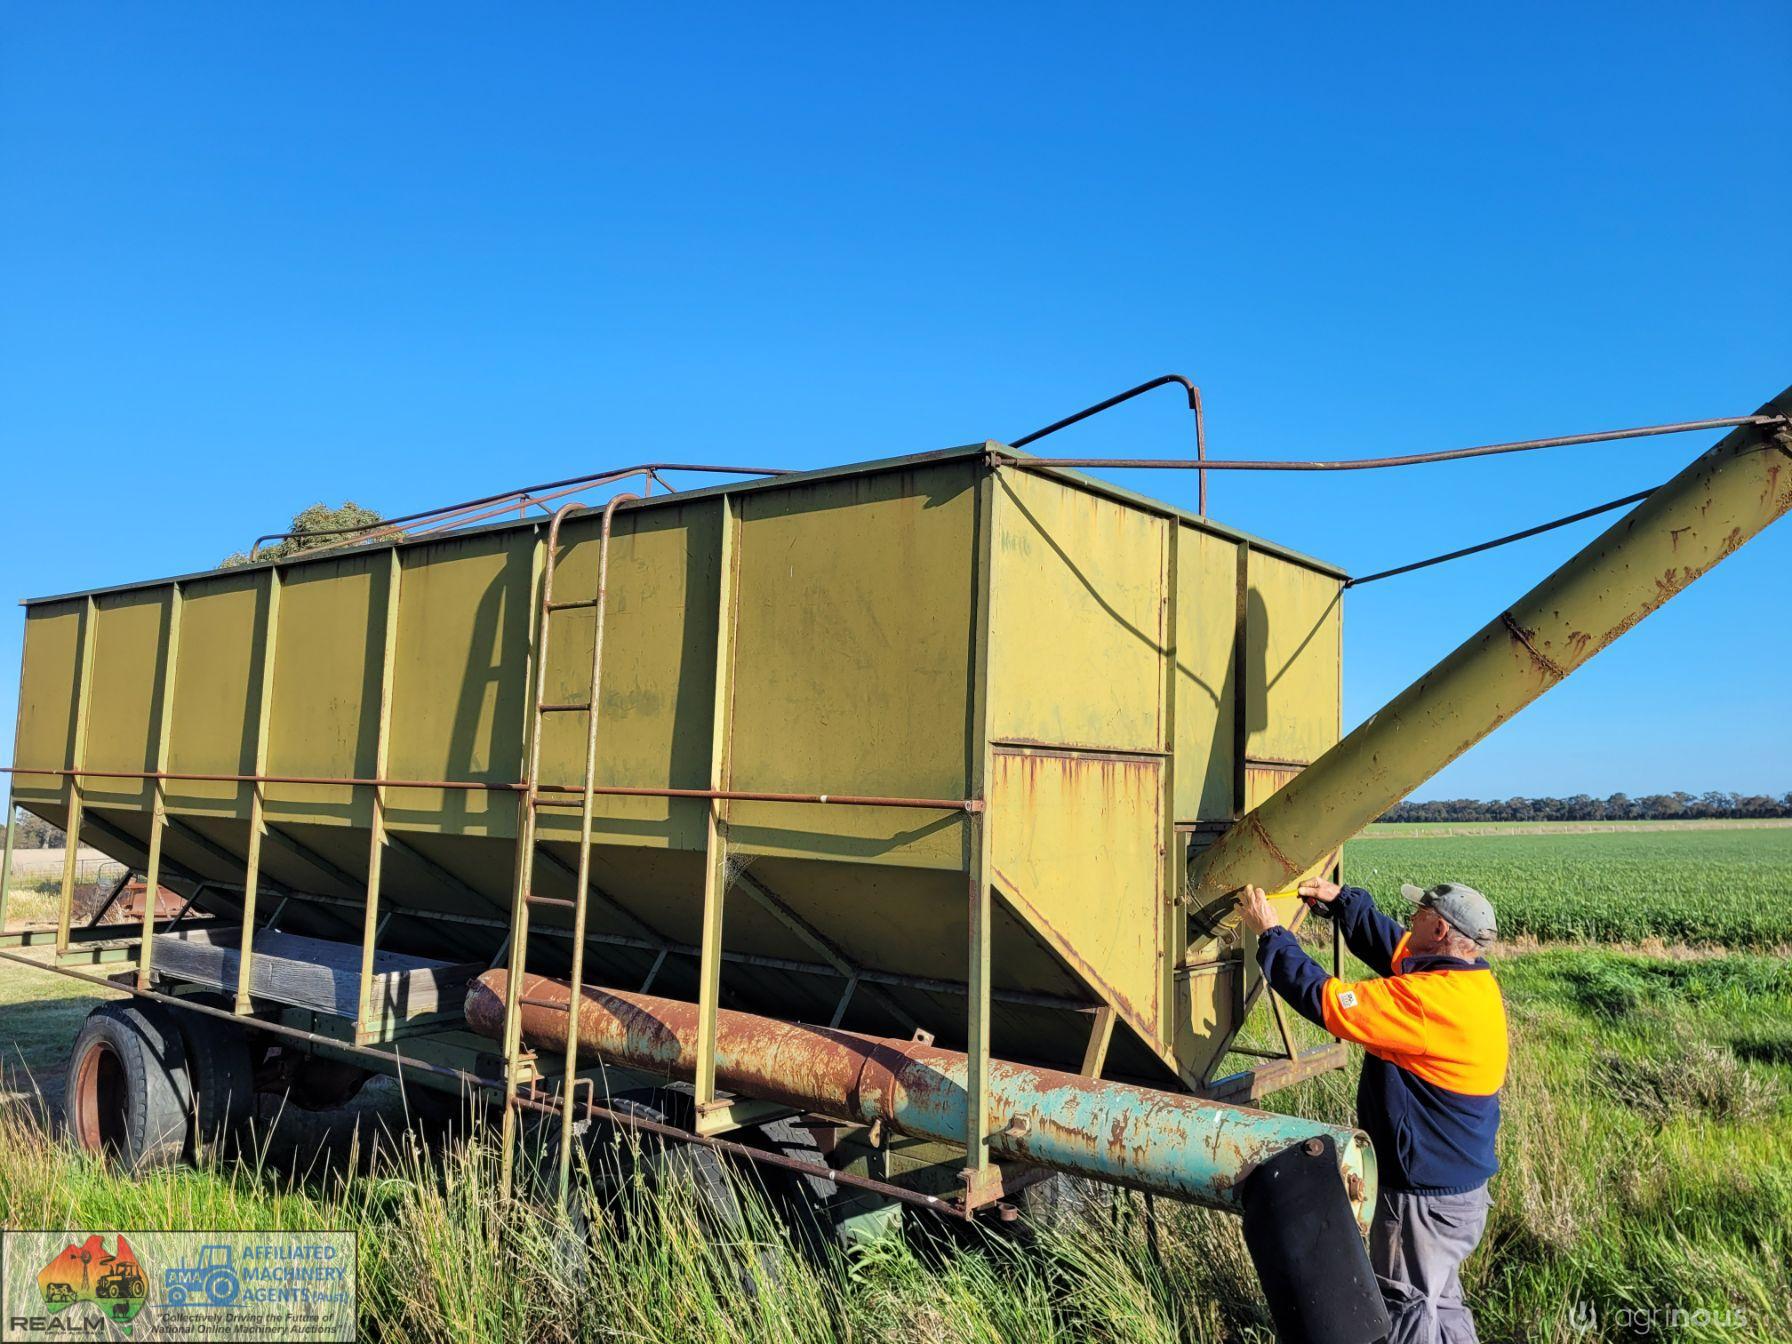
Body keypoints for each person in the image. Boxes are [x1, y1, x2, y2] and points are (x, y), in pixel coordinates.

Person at [1237, 877, 1506, 1344]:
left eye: (1420, 914)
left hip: (1422, 1201)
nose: (1411, 919)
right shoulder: (1468, 981)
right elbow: (1394, 947)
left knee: (1406, 1305)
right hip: (1460, 1194)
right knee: (1440, 1301)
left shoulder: (1425, 1001)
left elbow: (1329, 1001)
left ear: (1440, 930)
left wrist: (1272, 935)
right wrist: (1344, 903)